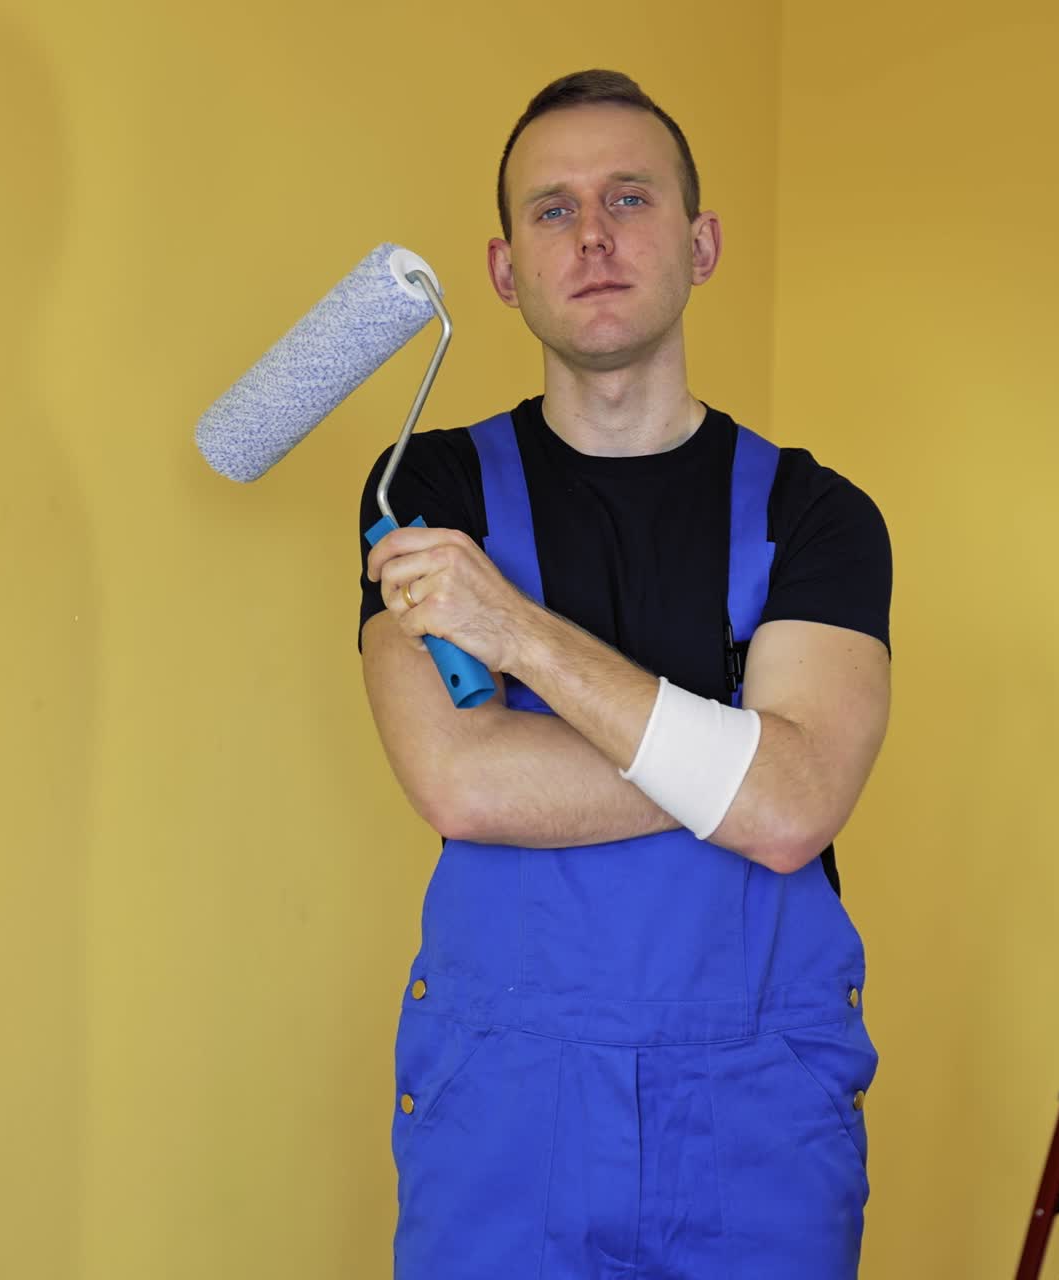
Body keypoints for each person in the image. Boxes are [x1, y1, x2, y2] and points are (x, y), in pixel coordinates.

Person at [359, 68, 892, 1280]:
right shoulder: (424, 498)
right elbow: (463, 782)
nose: (591, 235)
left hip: (758, 1114)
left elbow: (797, 807)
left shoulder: (818, 518)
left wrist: (522, 635)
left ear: (700, 242)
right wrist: (744, 770)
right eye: (551, 210)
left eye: (629, 198)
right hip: (502, 1113)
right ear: (503, 269)